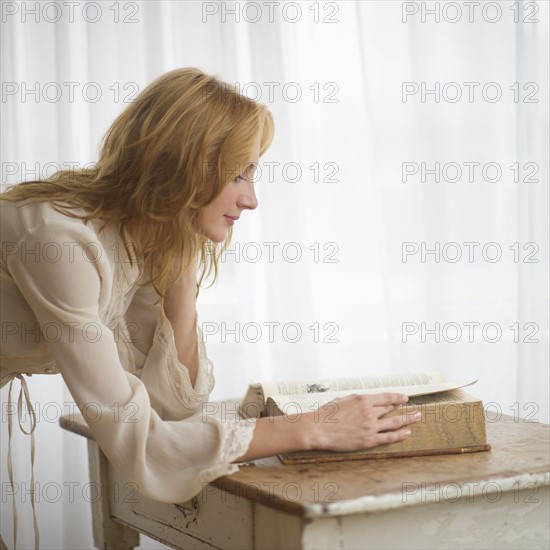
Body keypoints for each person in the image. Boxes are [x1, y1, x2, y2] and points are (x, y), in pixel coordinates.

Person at [0, 67, 420, 549]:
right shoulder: (62, 242)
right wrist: (313, 427)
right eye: (238, 174)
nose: (251, 200)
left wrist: (180, 272)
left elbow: (172, 407)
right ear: (182, 167)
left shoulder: (136, 241)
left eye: (253, 173)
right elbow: (144, 445)